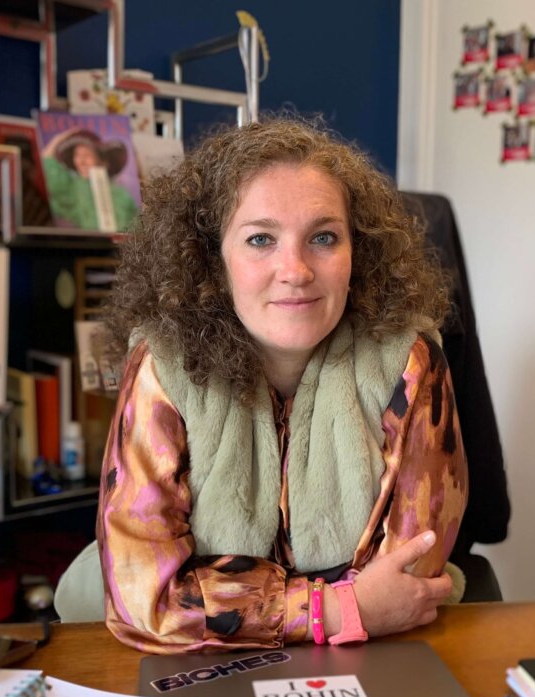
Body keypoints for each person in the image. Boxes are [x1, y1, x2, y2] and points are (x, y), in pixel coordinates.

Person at [74, 118, 468, 654]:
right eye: (261, 239)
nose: (296, 269)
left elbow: (406, 580)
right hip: (199, 669)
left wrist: (221, 596)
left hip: (366, 661)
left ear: (360, 253)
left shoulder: (409, 359)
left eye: (323, 238)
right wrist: (335, 607)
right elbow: (148, 598)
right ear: (213, 261)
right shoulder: (163, 364)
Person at [41, 127, 138, 231]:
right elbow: (46, 159)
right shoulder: (73, 188)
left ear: (103, 162)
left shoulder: (122, 195)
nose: (81, 161)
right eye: (77, 155)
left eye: (87, 155)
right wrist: (59, 138)